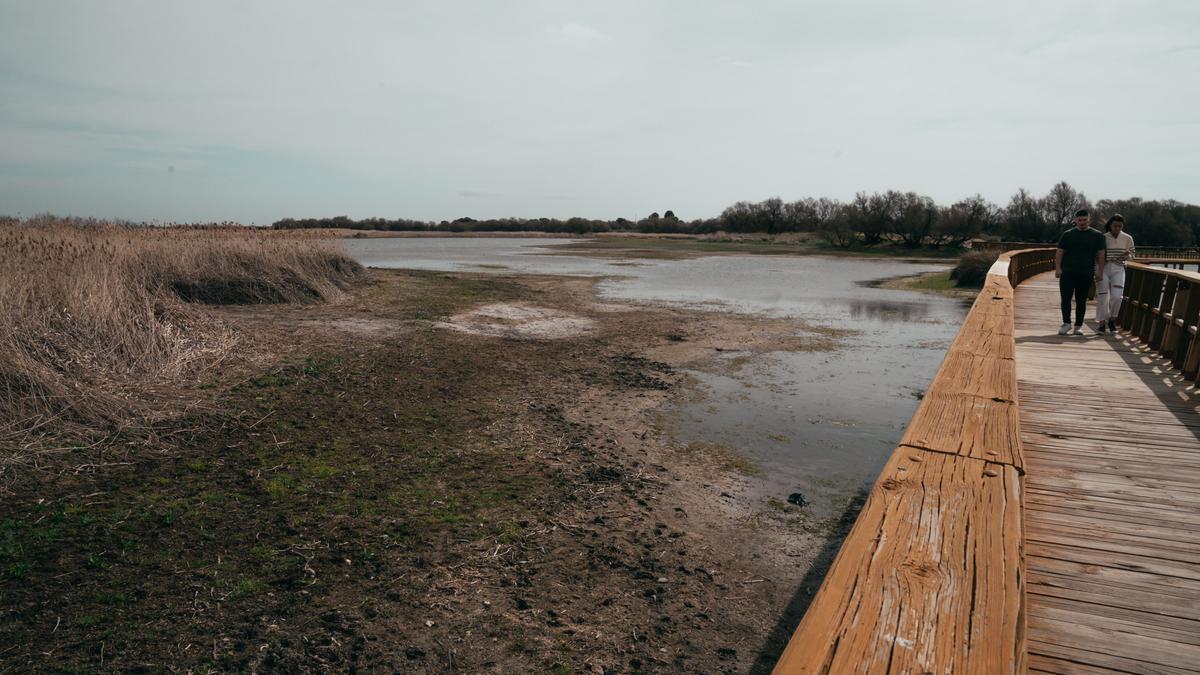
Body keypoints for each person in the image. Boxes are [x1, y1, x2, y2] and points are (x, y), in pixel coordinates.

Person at [1055, 208, 1105, 336]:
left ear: (1089, 220)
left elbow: (1101, 254)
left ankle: (1078, 325)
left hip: (1086, 272)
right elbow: (1060, 252)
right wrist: (1058, 268)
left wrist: (1100, 271)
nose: (1082, 222)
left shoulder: (1097, 235)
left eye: (1084, 220)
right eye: (1079, 220)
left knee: (1081, 300)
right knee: (1065, 298)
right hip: (1068, 271)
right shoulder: (1068, 234)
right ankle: (1066, 323)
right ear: (1075, 220)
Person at [1095, 214, 1135, 334]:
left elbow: (1133, 256)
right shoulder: (1103, 237)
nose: (1117, 228)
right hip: (1103, 268)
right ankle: (1102, 324)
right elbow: (1096, 254)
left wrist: (1128, 255)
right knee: (1102, 297)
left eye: (1120, 226)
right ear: (1110, 225)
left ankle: (1112, 319)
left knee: (1117, 297)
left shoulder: (1128, 238)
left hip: (1119, 268)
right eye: (1115, 226)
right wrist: (1097, 271)